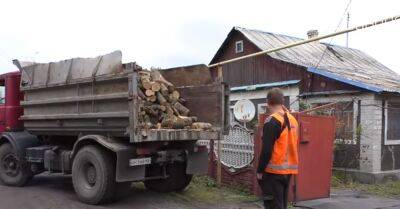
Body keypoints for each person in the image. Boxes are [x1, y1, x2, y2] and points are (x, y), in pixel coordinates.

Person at [257, 88, 299, 209]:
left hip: (273, 173)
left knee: (273, 205)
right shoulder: (293, 120)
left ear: (268, 102)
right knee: (281, 205)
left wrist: (260, 171)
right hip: (288, 172)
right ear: (282, 101)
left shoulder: (272, 121)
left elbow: (266, 151)